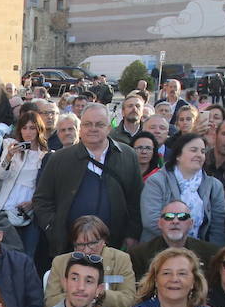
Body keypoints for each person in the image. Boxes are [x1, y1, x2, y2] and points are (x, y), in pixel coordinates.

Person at [33, 104, 145, 254]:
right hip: (69, 246)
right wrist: (54, 228)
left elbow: (136, 200)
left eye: (99, 124)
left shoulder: (127, 155)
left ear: (109, 127)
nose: (93, 128)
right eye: (87, 124)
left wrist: (132, 234)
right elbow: (42, 200)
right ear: (80, 128)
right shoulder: (59, 159)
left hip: (115, 246)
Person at [139, 131, 225, 245]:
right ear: (178, 155)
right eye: (193, 150)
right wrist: (180, 245)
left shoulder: (214, 186)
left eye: (202, 151)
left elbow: (218, 226)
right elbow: (151, 221)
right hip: (160, 246)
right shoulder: (157, 181)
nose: (199, 155)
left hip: (200, 249)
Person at [43, 216, 138, 307]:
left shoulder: (121, 259)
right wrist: (78, 296)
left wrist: (101, 295)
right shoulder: (60, 262)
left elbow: (129, 301)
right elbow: (50, 303)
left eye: (92, 243)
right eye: (80, 245)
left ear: (103, 240)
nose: (87, 250)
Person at [0, 110, 48, 256]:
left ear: (39, 129)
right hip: (8, 208)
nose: (28, 132)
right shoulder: (10, 145)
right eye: (24, 128)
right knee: (6, 254)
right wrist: (9, 156)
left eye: (32, 128)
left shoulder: (45, 154)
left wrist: (33, 202)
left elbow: (45, 187)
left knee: (27, 255)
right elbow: (0, 174)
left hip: (29, 211)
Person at [129, 199, 219, 282]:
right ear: (159, 223)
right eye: (169, 216)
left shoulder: (210, 253)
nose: (175, 221)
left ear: (191, 224)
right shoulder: (139, 255)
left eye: (182, 217)